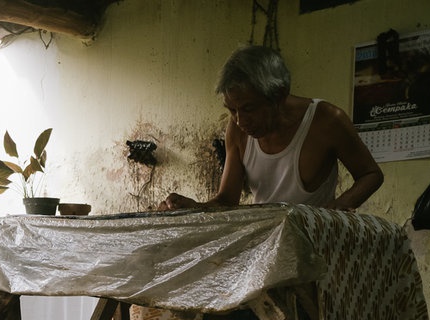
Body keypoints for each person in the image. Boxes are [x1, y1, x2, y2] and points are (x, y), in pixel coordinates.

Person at [161, 44, 384, 211]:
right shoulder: (237, 130)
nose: (240, 120)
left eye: (249, 108)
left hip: (314, 247)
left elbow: (371, 174)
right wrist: (195, 207)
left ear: (279, 96)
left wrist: (338, 208)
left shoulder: (326, 120)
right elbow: (227, 201)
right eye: (232, 110)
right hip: (265, 245)